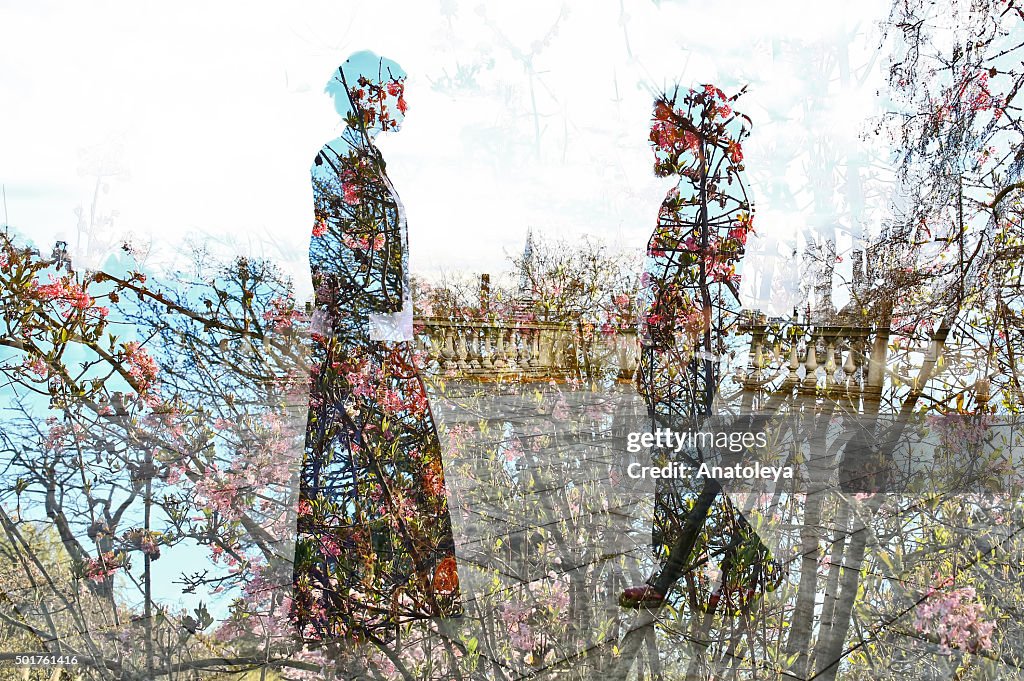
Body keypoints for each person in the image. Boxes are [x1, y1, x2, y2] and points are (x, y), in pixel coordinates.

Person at [291, 52, 462, 643]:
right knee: (359, 466)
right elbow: (327, 252)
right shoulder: (335, 159)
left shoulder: (368, 159)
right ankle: (350, 606)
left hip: (385, 342)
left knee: (400, 464)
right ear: (364, 95)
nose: (401, 105)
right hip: (362, 345)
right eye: (393, 91)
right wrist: (359, 327)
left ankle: (403, 599)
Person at [620, 85, 782, 610]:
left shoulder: (713, 197)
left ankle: (737, 570)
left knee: (714, 471)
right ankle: (682, 580)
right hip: (685, 359)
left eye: (663, 135)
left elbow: (734, 272)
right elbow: (659, 280)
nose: (656, 150)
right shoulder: (677, 201)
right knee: (685, 472)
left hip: (716, 356)